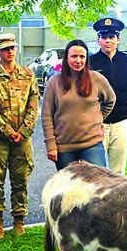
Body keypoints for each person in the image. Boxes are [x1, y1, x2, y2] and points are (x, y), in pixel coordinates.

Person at [0, 33, 39, 238]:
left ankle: (19, 220)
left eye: (12, 47)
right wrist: (7, 131)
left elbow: (33, 105)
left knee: (20, 179)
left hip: (22, 138)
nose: (10, 51)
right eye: (5, 48)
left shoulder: (27, 74)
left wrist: (23, 131)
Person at [42, 39, 116, 170]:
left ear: (86, 59)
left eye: (82, 56)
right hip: (64, 146)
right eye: (74, 56)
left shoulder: (96, 78)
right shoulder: (54, 82)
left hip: (92, 144)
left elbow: (110, 100)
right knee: (68, 188)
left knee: (98, 186)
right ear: (66, 58)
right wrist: (51, 145)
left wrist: (97, 118)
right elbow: (46, 116)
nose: (78, 60)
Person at [88, 17, 127, 175]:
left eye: (111, 37)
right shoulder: (90, 63)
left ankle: (117, 200)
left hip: (122, 122)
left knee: (118, 172)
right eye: (103, 37)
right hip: (96, 123)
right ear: (98, 40)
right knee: (96, 171)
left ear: (118, 39)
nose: (107, 41)